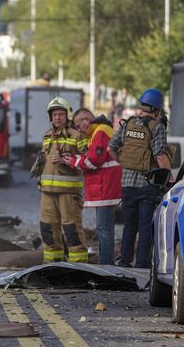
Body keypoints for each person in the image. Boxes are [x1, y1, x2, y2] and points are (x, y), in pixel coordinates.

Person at [109, 88, 172, 268]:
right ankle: (142, 264)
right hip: (147, 184)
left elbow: (111, 148)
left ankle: (125, 262)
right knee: (145, 227)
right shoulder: (157, 127)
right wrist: (170, 178)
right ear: (157, 110)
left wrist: (124, 163)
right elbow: (160, 156)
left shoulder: (128, 125)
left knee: (129, 226)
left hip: (127, 185)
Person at [63, 108, 122, 265]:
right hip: (106, 186)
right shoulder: (99, 131)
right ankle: (106, 262)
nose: (79, 130)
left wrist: (73, 161)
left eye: (78, 126)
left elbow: (93, 161)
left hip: (105, 188)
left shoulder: (100, 131)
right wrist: (76, 158)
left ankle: (106, 264)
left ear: (86, 120)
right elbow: (93, 157)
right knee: (104, 228)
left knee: (104, 229)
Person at [34, 97, 88, 264]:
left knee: (72, 230)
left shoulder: (77, 136)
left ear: (67, 115)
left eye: (61, 114)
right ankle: (52, 265)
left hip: (68, 193)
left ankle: (79, 267)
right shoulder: (47, 136)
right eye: (55, 114)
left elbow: (87, 161)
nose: (57, 117)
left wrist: (69, 159)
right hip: (47, 192)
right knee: (48, 229)